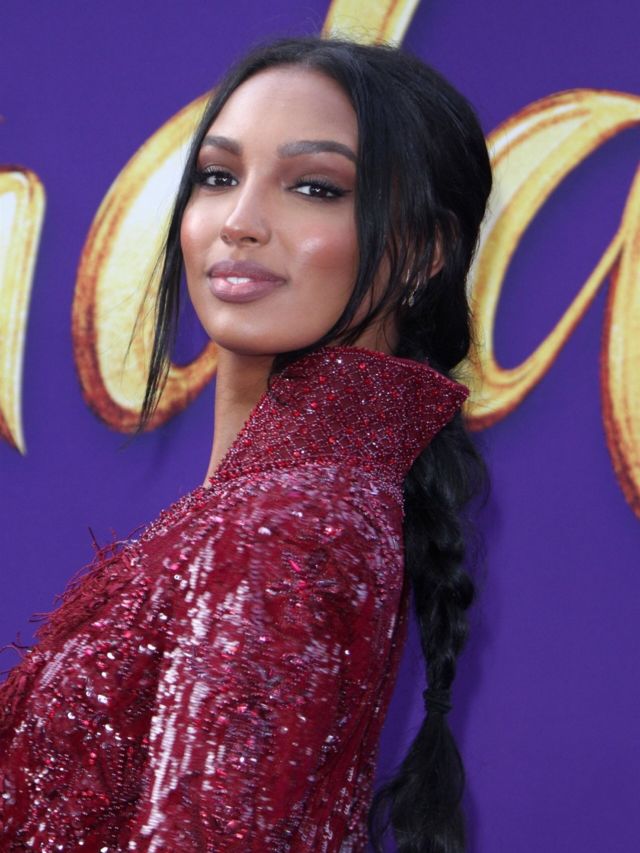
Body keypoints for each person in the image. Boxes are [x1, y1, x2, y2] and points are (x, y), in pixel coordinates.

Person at [0, 36, 492, 853]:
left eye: (314, 187)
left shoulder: (284, 530)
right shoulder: (313, 506)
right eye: (217, 176)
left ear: (422, 254)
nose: (238, 222)